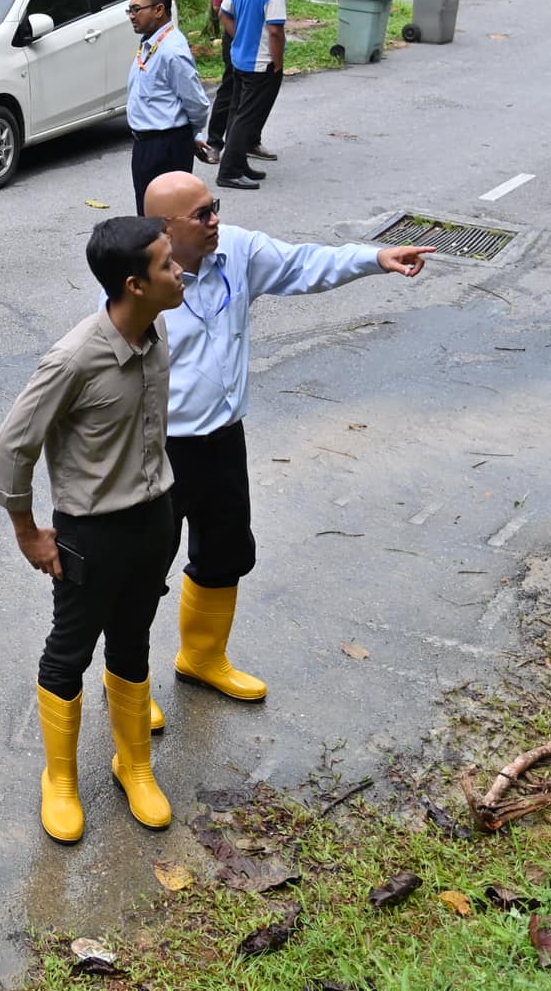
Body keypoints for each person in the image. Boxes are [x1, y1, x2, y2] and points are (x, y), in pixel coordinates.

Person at [140, 171, 431, 714]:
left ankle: (202, 659)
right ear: (163, 228)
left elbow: (303, 264)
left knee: (225, 554)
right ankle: (128, 686)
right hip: (158, 451)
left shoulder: (238, 251)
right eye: (202, 214)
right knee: (140, 572)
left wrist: (375, 259)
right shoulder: (136, 278)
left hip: (224, 439)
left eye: (215, 207)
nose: (215, 220)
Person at [0, 216, 189, 843]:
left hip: (155, 519)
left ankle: (134, 765)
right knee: (70, 650)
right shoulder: (75, 358)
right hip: (91, 534)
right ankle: (61, 780)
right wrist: (28, 532)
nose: (179, 268)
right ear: (134, 283)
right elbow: (11, 447)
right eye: (166, 264)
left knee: (132, 642)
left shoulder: (155, 336)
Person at [202, 0, 298, 167]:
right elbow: (220, 6)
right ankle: (216, 145)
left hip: (250, 39)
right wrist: (243, 35)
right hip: (240, 40)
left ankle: (247, 145)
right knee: (232, 95)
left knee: (246, 104)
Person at [124, 0, 209, 214]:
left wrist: (193, 133)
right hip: (146, 146)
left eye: (136, 9)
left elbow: (196, 102)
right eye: (130, 10)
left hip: (165, 147)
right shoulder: (151, 42)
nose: (132, 15)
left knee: (164, 218)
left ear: (159, 10)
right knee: (147, 213)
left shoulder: (172, 50)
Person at [215, 0, 289, 192]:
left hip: (240, 58)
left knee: (238, 112)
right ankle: (229, 171)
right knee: (248, 117)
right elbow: (276, 30)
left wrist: (240, 37)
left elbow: (224, 13)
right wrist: (278, 63)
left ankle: (240, 164)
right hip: (261, 63)